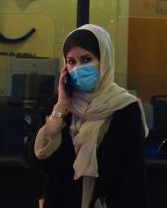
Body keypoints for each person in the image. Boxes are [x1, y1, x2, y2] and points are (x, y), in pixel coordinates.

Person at [24, 24, 149, 208]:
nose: (77, 68)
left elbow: (133, 176)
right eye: (71, 61)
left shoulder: (125, 108)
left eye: (86, 59)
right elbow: (33, 161)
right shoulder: (58, 104)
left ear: (104, 60)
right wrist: (60, 110)